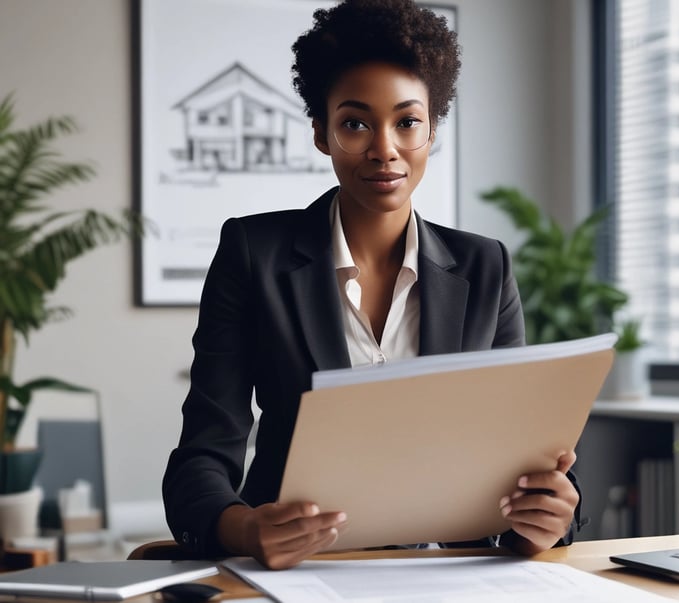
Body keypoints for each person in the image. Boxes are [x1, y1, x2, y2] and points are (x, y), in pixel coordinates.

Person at [163, 0, 582, 571]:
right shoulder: (253, 254)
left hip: (451, 575)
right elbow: (199, 462)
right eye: (356, 123)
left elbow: (521, 454)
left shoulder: (485, 267)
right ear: (321, 132)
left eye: (407, 122)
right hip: (301, 573)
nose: (384, 148)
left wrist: (545, 522)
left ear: (432, 130)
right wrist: (245, 529)